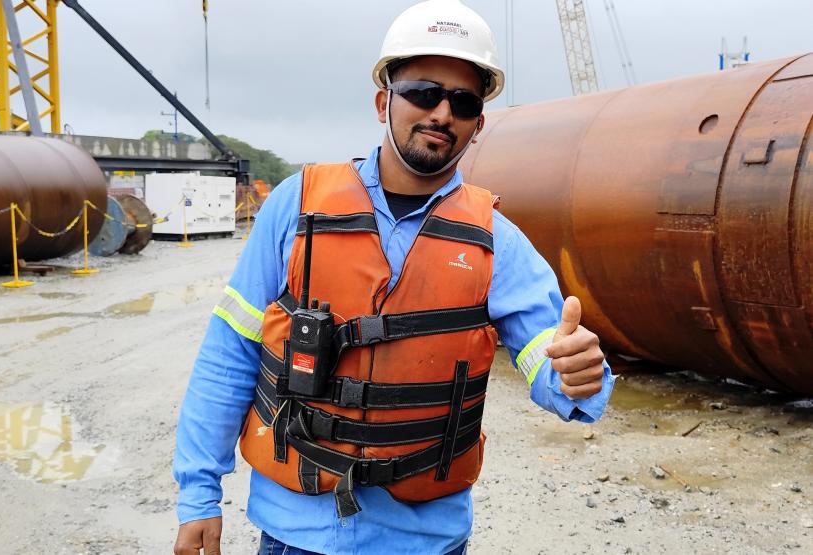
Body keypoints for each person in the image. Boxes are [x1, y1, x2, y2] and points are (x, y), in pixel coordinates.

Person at [173, 1, 615, 553]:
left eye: (463, 102)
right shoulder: (296, 208)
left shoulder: (497, 241)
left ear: (478, 124)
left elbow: (554, 364)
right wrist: (198, 496)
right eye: (424, 92)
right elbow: (229, 354)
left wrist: (577, 375)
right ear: (384, 100)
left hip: (426, 539)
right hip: (296, 535)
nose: (441, 113)